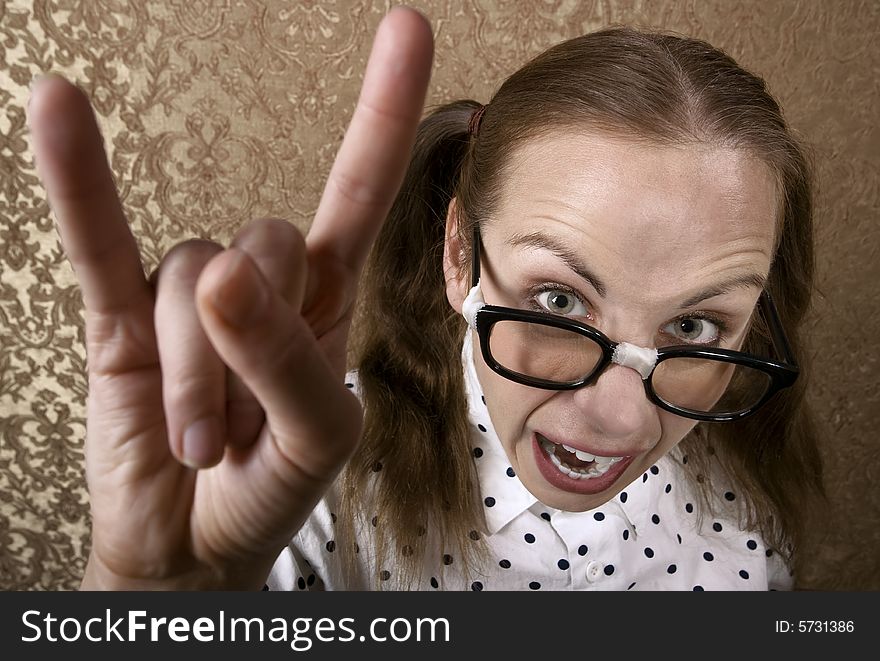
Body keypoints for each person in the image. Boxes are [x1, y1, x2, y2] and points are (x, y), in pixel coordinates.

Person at [27, 7, 823, 591]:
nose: (623, 419)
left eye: (693, 323)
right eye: (559, 302)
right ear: (459, 256)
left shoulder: (740, 497)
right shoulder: (310, 495)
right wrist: (150, 603)